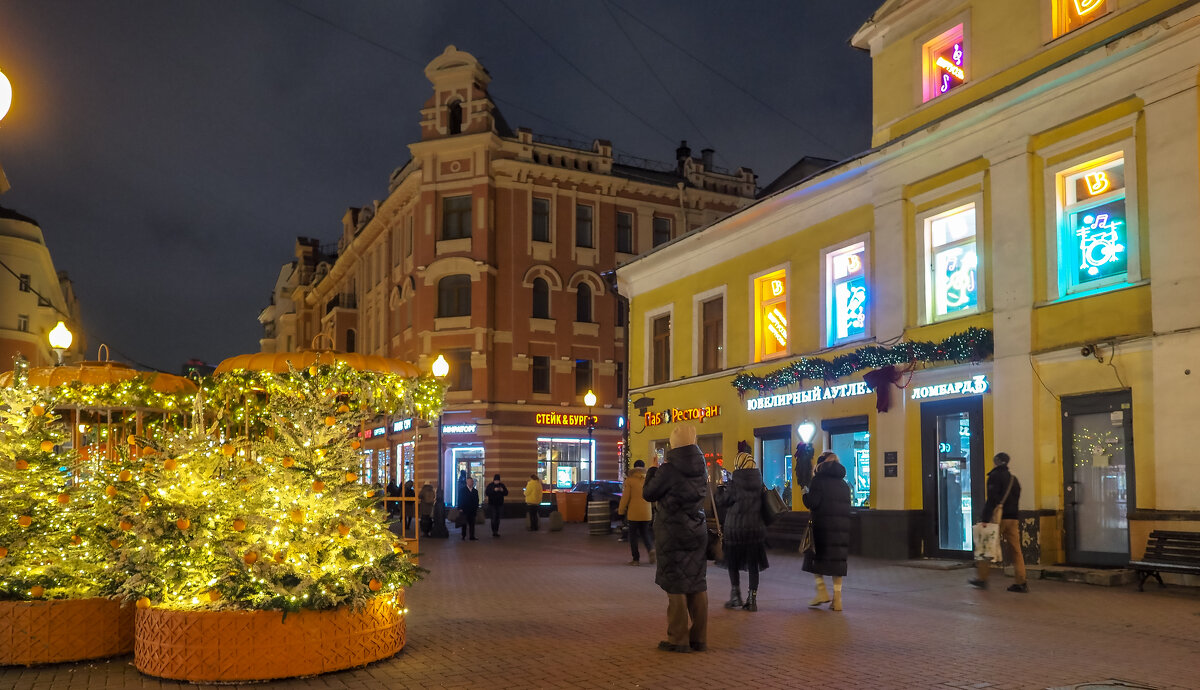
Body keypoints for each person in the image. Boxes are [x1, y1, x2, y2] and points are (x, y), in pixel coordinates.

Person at [642, 423, 708, 653]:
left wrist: (653, 469)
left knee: (676, 584)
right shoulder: (702, 467)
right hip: (697, 529)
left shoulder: (668, 469)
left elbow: (648, 493)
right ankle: (699, 638)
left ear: (674, 444)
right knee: (697, 583)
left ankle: (678, 639)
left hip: (672, 531)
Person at [716, 452, 769, 612]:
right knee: (753, 565)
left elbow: (723, 501)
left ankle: (735, 596)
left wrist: (720, 487)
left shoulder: (735, 482)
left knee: (732, 563)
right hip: (755, 530)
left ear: (738, 464)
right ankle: (752, 599)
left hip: (736, 530)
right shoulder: (759, 482)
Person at [970, 452, 1028, 592]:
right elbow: (1016, 498)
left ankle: (982, 579)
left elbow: (991, 499)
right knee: (1016, 551)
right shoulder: (1014, 479)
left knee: (986, 546)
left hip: (997, 519)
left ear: (997, 461)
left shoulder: (994, 477)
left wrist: (985, 519)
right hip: (1013, 518)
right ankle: (1021, 581)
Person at [802, 451, 852, 611]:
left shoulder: (818, 481)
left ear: (820, 464)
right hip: (841, 529)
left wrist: (805, 494)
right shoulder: (844, 484)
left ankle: (821, 591)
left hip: (822, 528)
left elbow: (812, 503)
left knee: (814, 558)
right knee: (838, 562)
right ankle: (837, 599)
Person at [618, 460, 655, 566]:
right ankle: (651, 549)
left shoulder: (630, 480)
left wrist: (621, 510)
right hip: (647, 512)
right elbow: (653, 495)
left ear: (634, 467)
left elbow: (625, 497)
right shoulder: (648, 480)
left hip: (634, 513)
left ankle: (636, 559)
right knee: (645, 533)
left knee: (633, 536)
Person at [459, 476, 480, 541]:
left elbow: (477, 500)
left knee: (472, 524)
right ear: (467, 482)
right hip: (464, 509)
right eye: (469, 482)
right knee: (464, 523)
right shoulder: (462, 490)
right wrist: (460, 508)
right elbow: (460, 499)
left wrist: (476, 507)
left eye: (471, 482)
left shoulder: (475, 491)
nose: (470, 483)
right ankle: (463, 535)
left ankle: (472, 536)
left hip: (472, 510)